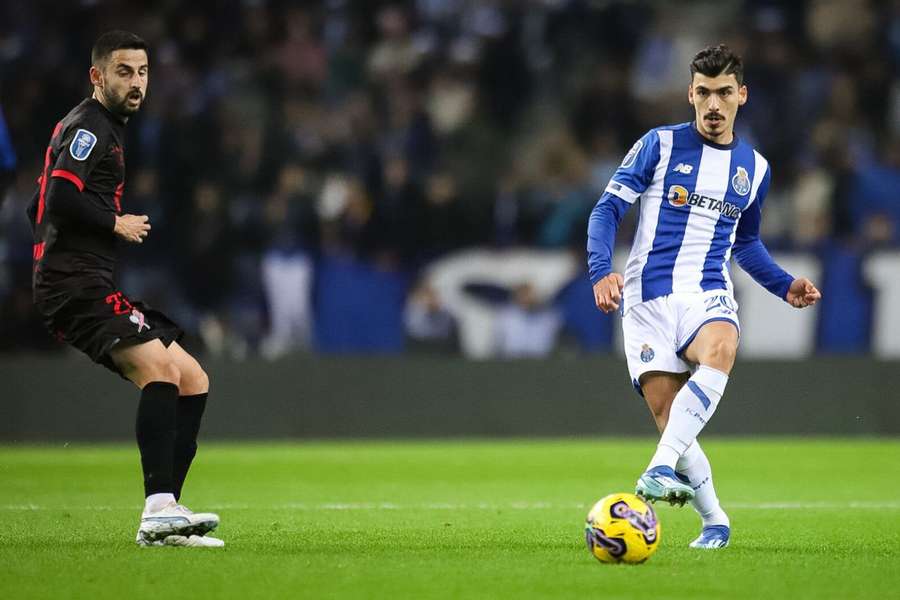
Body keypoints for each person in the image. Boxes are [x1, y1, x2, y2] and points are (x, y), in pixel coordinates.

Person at [587, 45, 821, 550]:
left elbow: (747, 242)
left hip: (707, 291)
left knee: (722, 346)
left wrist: (784, 284)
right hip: (647, 301)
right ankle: (715, 520)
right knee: (671, 417)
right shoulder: (658, 145)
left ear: (742, 95)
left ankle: (657, 470)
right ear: (690, 95)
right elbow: (606, 210)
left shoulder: (754, 169)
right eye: (703, 93)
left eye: (723, 93)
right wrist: (601, 270)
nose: (713, 105)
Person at [26, 31, 223, 548]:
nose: (136, 83)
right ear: (97, 76)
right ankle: (157, 509)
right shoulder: (90, 126)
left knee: (191, 378)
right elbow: (60, 195)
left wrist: (50, 242)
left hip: (83, 278)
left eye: (142, 72)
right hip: (73, 285)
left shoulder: (100, 126)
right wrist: (111, 225)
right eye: (123, 72)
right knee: (159, 370)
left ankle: (165, 515)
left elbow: (37, 206)